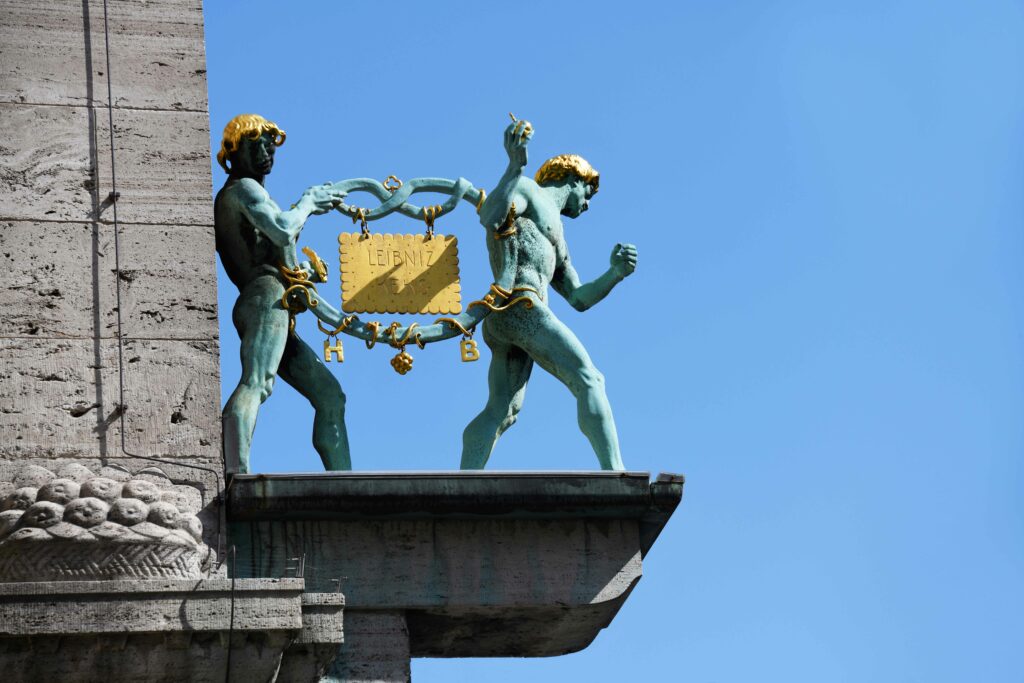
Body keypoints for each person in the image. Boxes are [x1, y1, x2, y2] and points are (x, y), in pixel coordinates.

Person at [462, 119, 638, 470]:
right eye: (588, 192)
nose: (587, 204)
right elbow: (491, 216)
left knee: (503, 409)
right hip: (520, 304)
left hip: (511, 316)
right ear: (573, 178)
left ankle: (464, 480)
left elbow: (578, 297)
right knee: (589, 377)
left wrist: (615, 273)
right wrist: (514, 166)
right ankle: (615, 473)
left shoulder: (557, 236)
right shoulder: (528, 190)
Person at [214, 114, 350, 473]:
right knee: (258, 382)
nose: (266, 151)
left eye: (270, 144)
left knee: (330, 395)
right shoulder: (242, 188)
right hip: (263, 297)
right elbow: (281, 229)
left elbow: (274, 246)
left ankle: (345, 480)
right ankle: (235, 473)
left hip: (276, 299)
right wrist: (308, 202)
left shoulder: (253, 192)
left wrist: (300, 275)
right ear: (232, 151)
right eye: (255, 143)